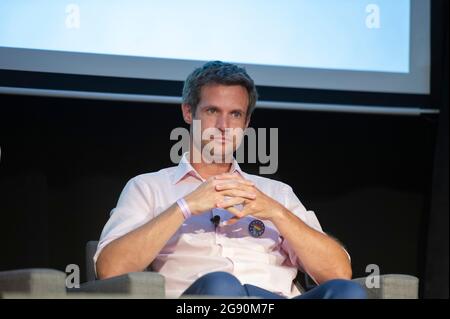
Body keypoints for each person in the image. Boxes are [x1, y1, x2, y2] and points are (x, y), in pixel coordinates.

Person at [94, 61, 366, 299]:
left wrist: (276, 213)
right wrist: (186, 206)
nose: (224, 126)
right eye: (213, 111)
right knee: (222, 284)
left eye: (235, 114)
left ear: (246, 123)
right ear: (188, 112)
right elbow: (110, 269)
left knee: (348, 292)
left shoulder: (276, 193)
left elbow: (339, 272)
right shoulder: (148, 187)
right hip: (206, 299)